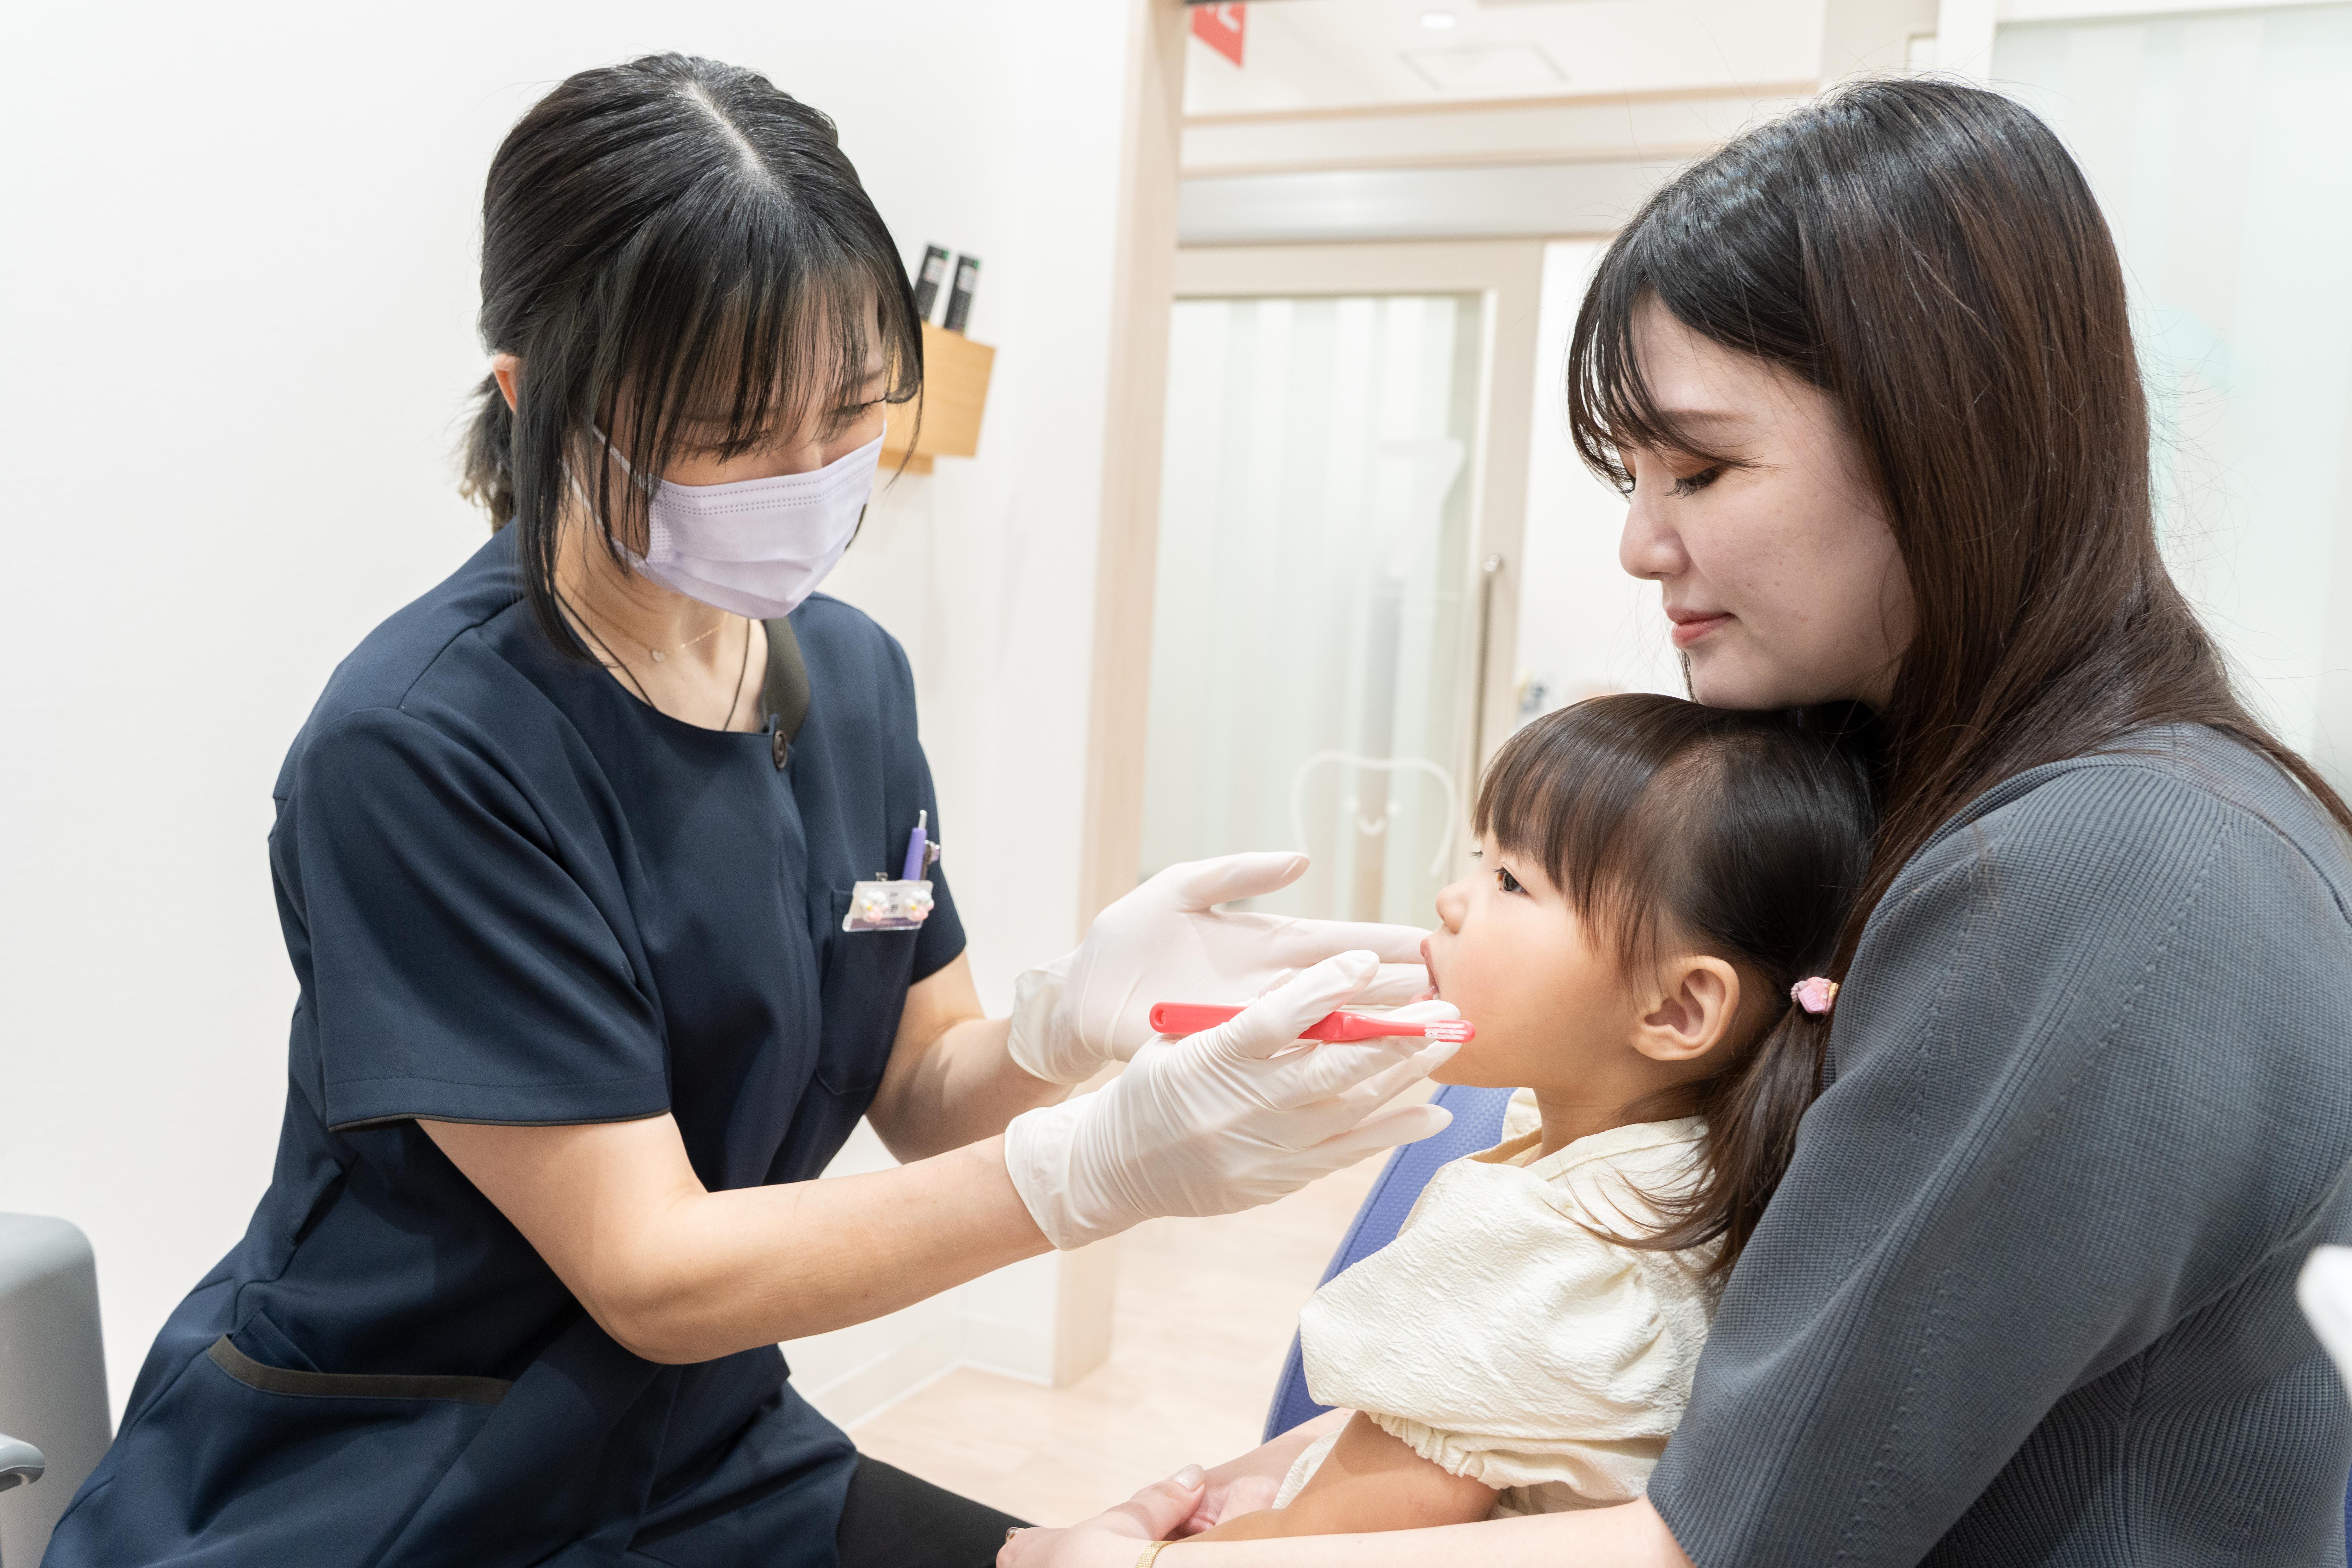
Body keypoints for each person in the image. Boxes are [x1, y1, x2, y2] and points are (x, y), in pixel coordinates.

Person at [41, 55, 1461, 1568]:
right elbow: (650, 1265)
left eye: (850, 414)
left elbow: (926, 1087)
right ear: (540, 400)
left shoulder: (847, 677)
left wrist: (1081, 1032)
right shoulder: (420, 748)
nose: (808, 478)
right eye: (732, 432)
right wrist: (1097, 1168)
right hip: (395, 1481)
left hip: (700, 1445)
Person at [1003, 76, 2352, 1568]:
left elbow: (1735, 1540)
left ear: (1946, 439)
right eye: (1633, 474)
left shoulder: (2115, 873)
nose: (1644, 541)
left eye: (1702, 469)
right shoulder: (1950, 803)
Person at [1179, 695, 1875, 1541]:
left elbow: (1329, 1543)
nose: (1452, 898)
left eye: (1511, 881)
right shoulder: (1690, 1175)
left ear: (1680, 1006)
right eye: (1483, 857)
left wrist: (1110, 1550)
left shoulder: (1546, 1262)